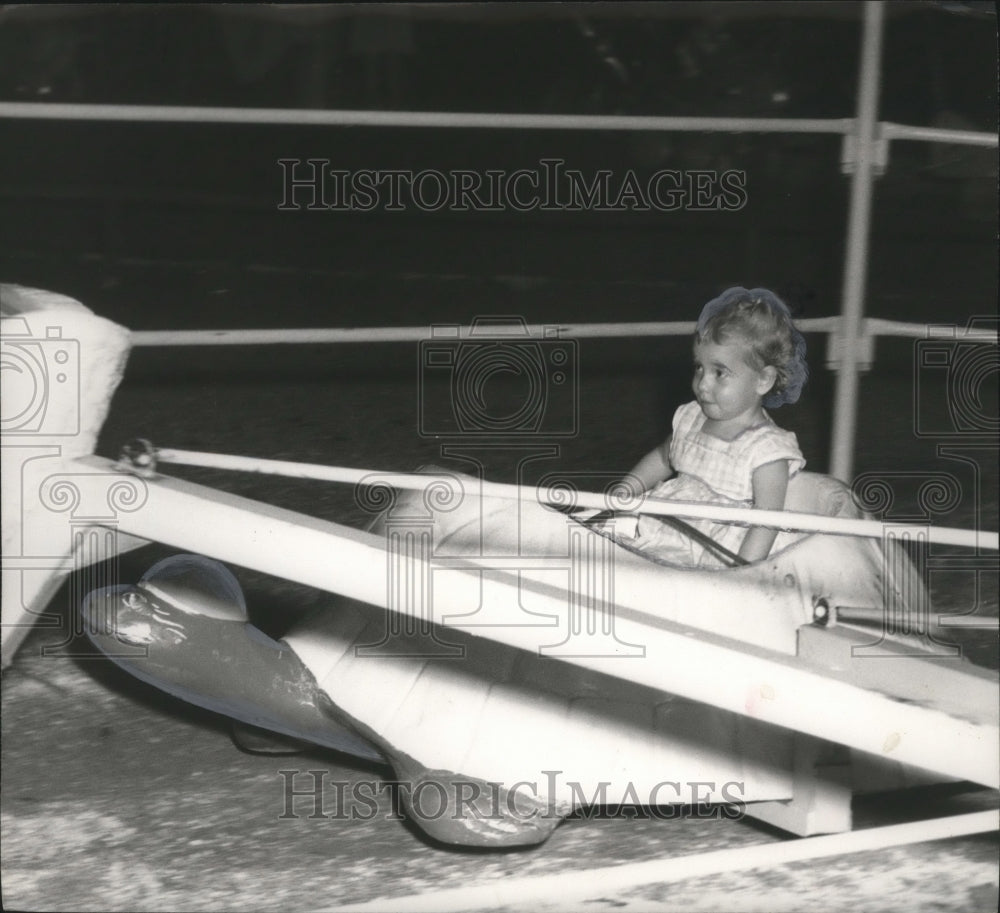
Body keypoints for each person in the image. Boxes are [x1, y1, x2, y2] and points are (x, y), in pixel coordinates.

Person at [620, 287, 809, 567]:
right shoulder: (690, 418)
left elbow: (767, 521)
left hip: (716, 548)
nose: (703, 383)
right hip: (668, 525)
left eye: (720, 373)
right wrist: (626, 490)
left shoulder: (766, 449)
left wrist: (741, 572)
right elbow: (663, 457)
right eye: (699, 368)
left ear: (763, 381)